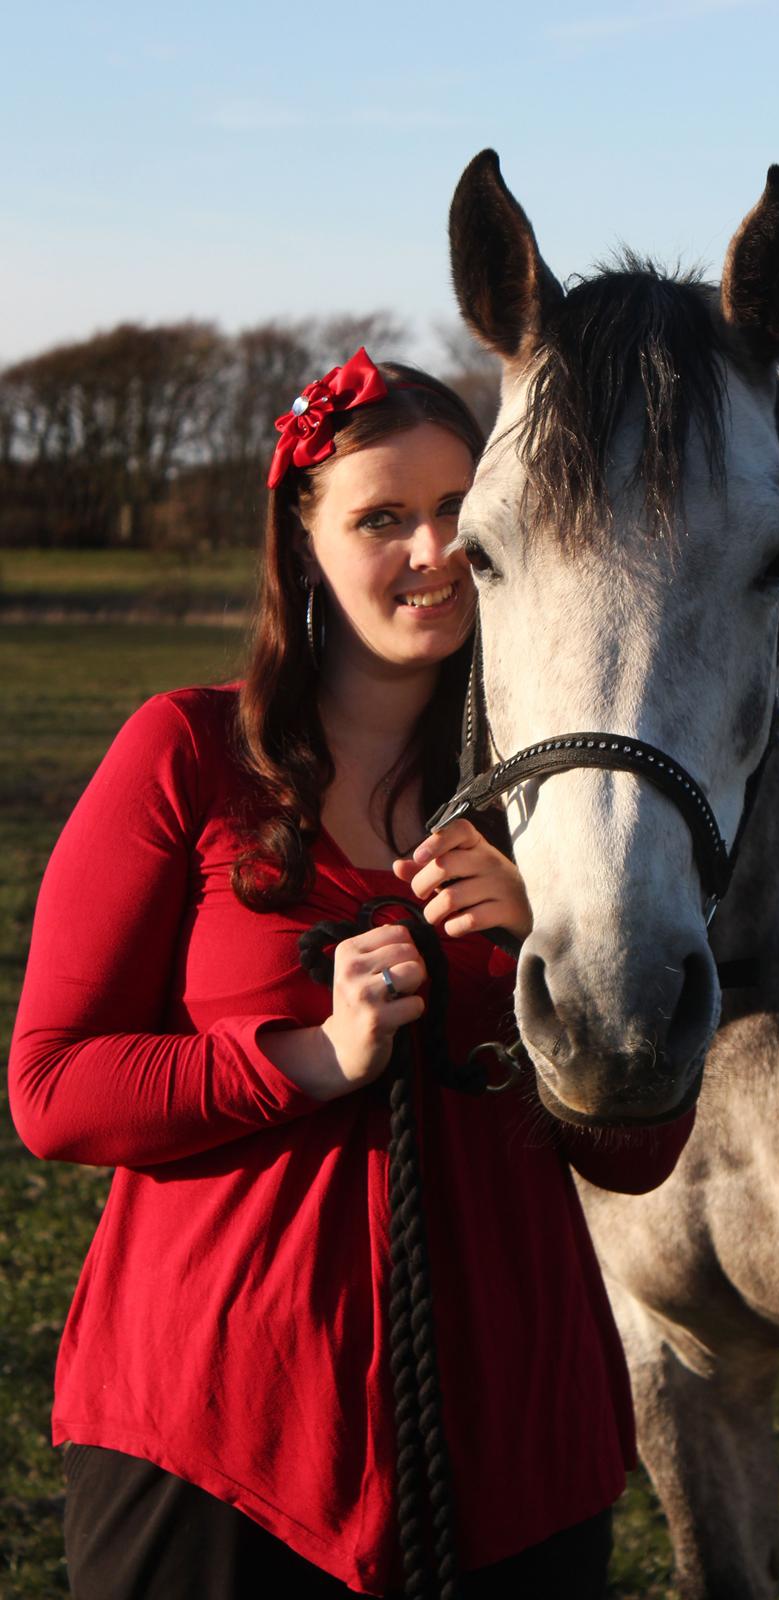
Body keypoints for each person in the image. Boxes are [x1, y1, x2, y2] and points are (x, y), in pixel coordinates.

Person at [9, 348, 695, 1599]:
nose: (431, 552)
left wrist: (547, 942)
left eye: (457, 515)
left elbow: (636, 1151)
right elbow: (54, 1090)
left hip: (512, 1446)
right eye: (382, 517)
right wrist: (309, 1057)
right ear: (302, 542)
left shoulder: (567, 811)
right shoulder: (185, 755)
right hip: (218, 1441)